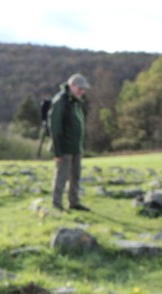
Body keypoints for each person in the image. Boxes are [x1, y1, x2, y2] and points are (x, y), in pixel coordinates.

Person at [49, 73, 91, 211]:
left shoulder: (75, 101)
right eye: (80, 88)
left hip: (76, 147)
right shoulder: (61, 101)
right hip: (64, 148)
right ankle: (57, 205)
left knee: (75, 177)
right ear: (72, 86)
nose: (82, 91)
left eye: (84, 89)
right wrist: (57, 151)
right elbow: (55, 128)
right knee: (62, 176)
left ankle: (74, 202)